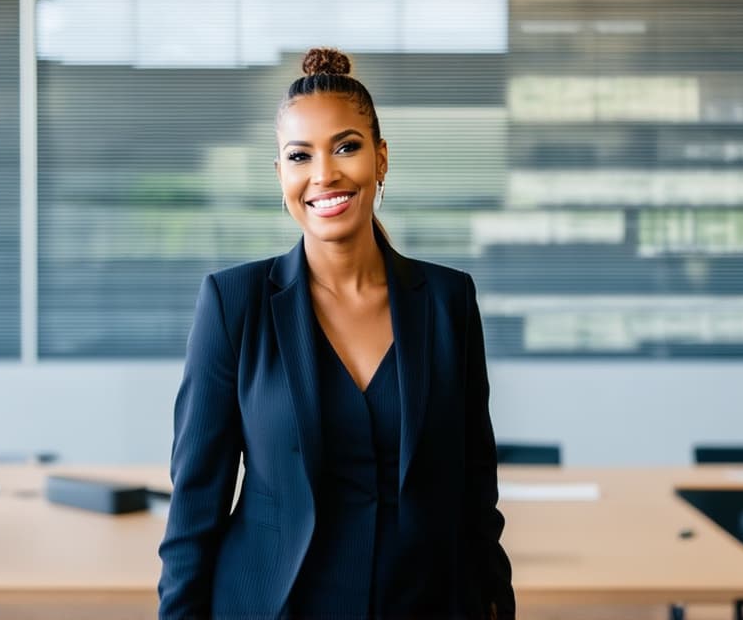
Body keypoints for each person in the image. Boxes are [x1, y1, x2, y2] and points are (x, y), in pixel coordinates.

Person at [157, 47, 514, 619]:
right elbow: (196, 502)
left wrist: (496, 600)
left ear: (381, 158)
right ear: (281, 176)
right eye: (300, 156)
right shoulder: (234, 304)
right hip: (279, 605)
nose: (324, 174)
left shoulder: (448, 301)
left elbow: (475, 488)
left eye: (346, 146)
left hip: (427, 603)